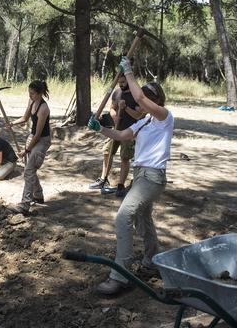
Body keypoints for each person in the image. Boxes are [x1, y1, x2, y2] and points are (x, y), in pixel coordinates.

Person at [87, 59, 174, 296]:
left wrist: (128, 72)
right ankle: (152, 261)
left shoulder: (164, 117)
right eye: (141, 95)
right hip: (141, 175)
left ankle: (121, 275)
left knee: (123, 217)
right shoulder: (144, 120)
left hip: (153, 177)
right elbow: (123, 134)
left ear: (158, 100)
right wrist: (100, 129)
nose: (141, 99)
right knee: (142, 219)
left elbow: (142, 100)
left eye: (147, 96)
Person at [89, 75, 144, 197]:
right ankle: (103, 179)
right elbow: (112, 108)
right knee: (107, 152)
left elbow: (138, 115)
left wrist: (126, 108)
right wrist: (114, 116)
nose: (121, 84)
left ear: (128, 81)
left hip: (129, 131)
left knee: (125, 157)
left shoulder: (136, 95)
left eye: (123, 82)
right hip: (115, 129)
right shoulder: (117, 92)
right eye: (119, 82)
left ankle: (120, 185)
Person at [5, 80, 51, 214]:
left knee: (29, 170)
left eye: (32, 93)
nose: (30, 96)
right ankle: (38, 195)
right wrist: (11, 123)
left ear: (40, 93)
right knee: (29, 168)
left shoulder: (44, 108)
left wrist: (26, 150)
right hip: (33, 136)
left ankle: (25, 204)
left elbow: (38, 134)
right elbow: (25, 118)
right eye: (29, 93)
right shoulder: (32, 102)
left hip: (42, 140)